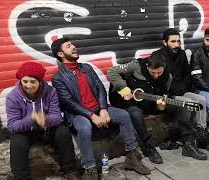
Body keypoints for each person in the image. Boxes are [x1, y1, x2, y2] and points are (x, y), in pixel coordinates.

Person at [50, 38, 150, 179]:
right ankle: (90, 168)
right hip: (78, 114)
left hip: (99, 108)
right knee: (84, 128)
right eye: (68, 46)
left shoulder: (87, 68)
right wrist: (92, 116)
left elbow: (100, 88)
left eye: (73, 44)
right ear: (60, 54)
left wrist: (103, 109)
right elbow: (68, 102)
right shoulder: (58, 78)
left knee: (123, 115)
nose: (73, 47)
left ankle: (132, 157)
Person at [108, 54, 208, 161]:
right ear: (147, 66)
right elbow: (112, 71)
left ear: (164, 67)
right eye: (153, 72)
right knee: (136, 113)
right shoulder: (137, 65)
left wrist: (161, 106)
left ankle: (185, 141)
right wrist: (124, 90)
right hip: (130, 103)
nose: (156, 76)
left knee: (180, 106)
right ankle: (149, 147)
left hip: (150, 103)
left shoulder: (167, 77)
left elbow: (161, 102)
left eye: (159, 72)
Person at [6, 62, 77, 180]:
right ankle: (20, 177)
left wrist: (46, 119)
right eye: (25, 81)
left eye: (32, 82)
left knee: (63, 131)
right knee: (16, 139)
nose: (28, 85)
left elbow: (58, 117)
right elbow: (12, 126)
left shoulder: (51, 92)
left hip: (47, 130)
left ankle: (69, 170)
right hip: (27, 132)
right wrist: (32, 119)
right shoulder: (13, 97)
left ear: (40, 81)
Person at [151, 28, 209, 152]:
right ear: (165, 43)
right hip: (167, 96)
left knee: (201, 100)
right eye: (173, 42)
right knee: (188, 102)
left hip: (182, 90)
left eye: (178, 41)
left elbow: (187, 74)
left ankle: (202, 135)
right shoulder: (157, 56)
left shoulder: (181, 54)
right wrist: (175, 89)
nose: (176, 45)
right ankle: (186, 139)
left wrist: (182, 86)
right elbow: (158, 81)